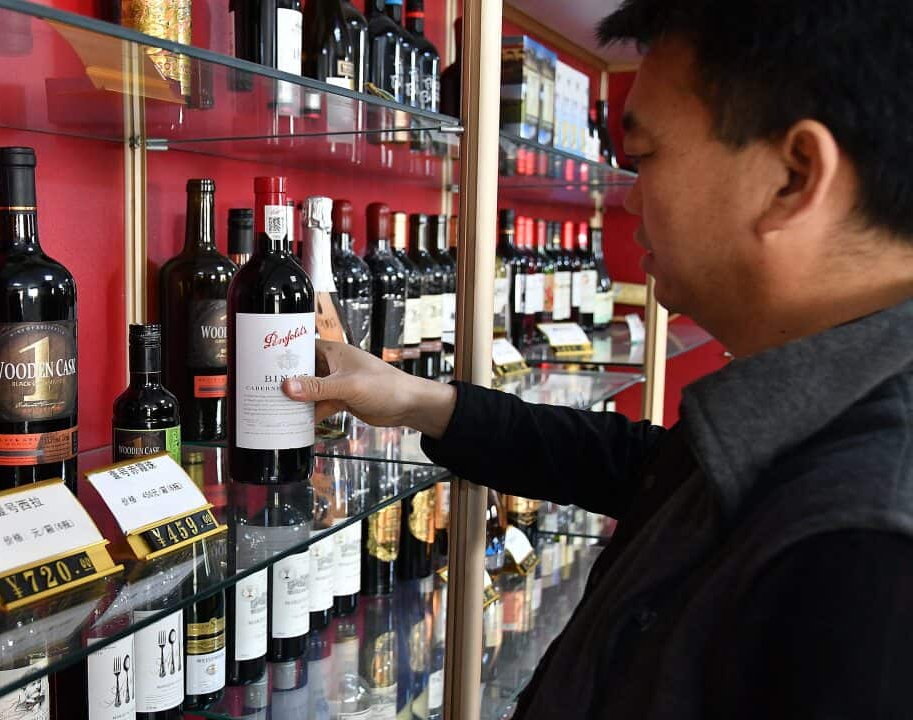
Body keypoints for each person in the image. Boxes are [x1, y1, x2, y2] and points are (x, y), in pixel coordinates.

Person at [283, 1, 913, 718]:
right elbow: (642, 465)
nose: (631, 198)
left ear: (794, 177)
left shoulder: (868, 559)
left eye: (646, 157)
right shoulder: (813, 422)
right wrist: (417, 398)